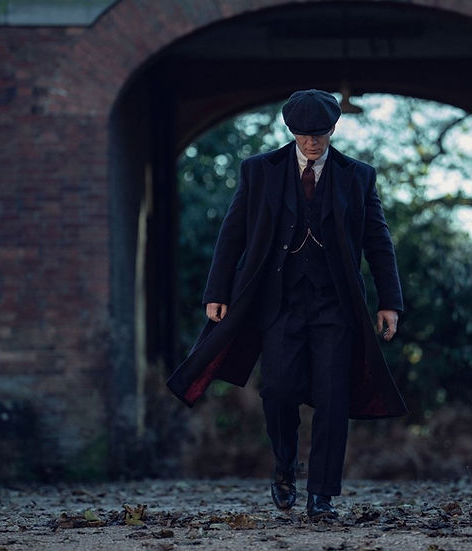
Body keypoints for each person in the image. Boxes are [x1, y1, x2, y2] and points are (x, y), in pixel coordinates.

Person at [167, 89, 406, 520]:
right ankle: (284, 466)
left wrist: (390, 301)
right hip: (279, 302)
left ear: (333, 129)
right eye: (302, 135)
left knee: (334, 397)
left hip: (336, 304)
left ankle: (322, 495)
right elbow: (233, 232)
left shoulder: (359, 176)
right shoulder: (259, 170)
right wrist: (216, 292)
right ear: (291, 131)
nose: (310, 143)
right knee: (277, 391)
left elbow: (378, 239)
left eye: (317, 135)